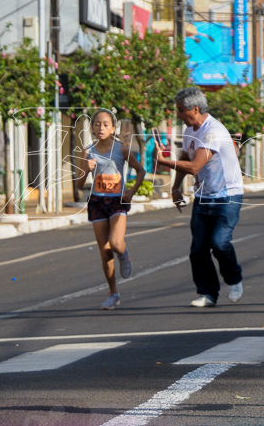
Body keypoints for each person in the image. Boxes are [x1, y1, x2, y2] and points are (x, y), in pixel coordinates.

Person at [157, 87, 245, 308]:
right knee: (198, 249)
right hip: (204, 196)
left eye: (180, 110)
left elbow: (195, 166)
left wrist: (164, 161)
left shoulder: (213, 131)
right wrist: (175, 187)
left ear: (195, 109)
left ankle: (234, 279)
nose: (178, 115)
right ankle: (208, 293)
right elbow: (186, 157)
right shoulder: (190, 131)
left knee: (220, 242)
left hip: (228, 196)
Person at [75, 109, 145, 310]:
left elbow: (141, 171)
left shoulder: (121, 149)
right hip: (97, 201)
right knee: (104, 251)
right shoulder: (88, 151)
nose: (101, 128)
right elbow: (79, 184)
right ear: (92, 128)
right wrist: (87, 169)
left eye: (106, 124)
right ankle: (113, 293)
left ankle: (123, 254)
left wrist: (130, 192)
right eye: (97, 124)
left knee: (115, 243)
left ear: (113, 128)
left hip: (117, 201)